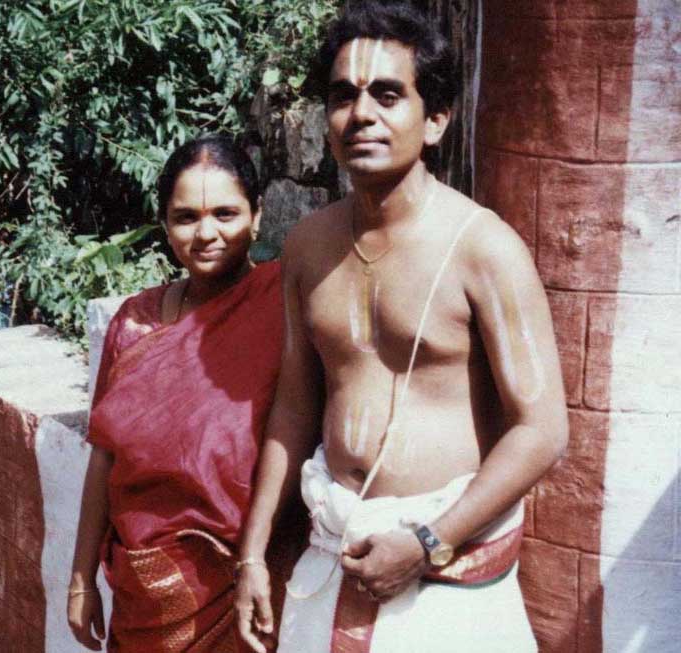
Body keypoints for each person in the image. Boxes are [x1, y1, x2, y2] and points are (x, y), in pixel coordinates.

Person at [235, 2, 568, 652]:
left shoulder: (483, 248)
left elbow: (543, 429)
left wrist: (424, 543)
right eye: (342, 96)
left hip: (445, 571)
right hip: (333, 553)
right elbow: (294, 408)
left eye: (388, 94)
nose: (361, 114)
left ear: (436, 119)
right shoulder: (306, 246)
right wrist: (251, 552)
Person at [68, 135, 296, 652]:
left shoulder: (284, 309)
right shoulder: (134, 323)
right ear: (165, 224)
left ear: (257, 217)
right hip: (141, 590)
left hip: (241, 585)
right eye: (186, 217)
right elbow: (105, 456)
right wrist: (82, 578)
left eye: (225, 213)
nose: (207, 233)